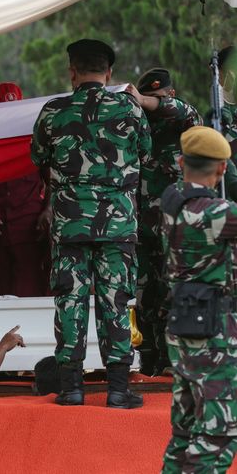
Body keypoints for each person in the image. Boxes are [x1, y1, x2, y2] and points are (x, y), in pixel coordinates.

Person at [31, 38, 151, 408]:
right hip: (117, 226)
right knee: (115, 302)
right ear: (109, 72)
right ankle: (117, 389)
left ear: (72, 72)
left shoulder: (54, 112)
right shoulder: (130, 110)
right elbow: (145, 151)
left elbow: (38, 156)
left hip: (70, 226)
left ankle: (72, 389)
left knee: (71, 301)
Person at [160, 126, 237, 473]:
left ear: (180, 162)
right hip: (213, 332)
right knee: (218, 434)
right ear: (222, 169)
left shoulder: (171, 201)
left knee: (185, 430)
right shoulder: (220, 214)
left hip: (180, 324)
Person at [125, 68, 202, 376]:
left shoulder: (185, 120)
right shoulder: (139, 127)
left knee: (172, 292)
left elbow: (180, 108)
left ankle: (172, 360)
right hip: (141, 227)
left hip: (175, 227)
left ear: (169, 94)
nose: (151, 105)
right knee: (144, 295)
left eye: (157, 98)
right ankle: (150, 356)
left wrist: (142, 100)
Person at [0, 82, 50, 297]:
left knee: (31, 290)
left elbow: (52, 179)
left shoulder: (35, 138)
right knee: (2, 294)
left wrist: (47, 209)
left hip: (29, 227)